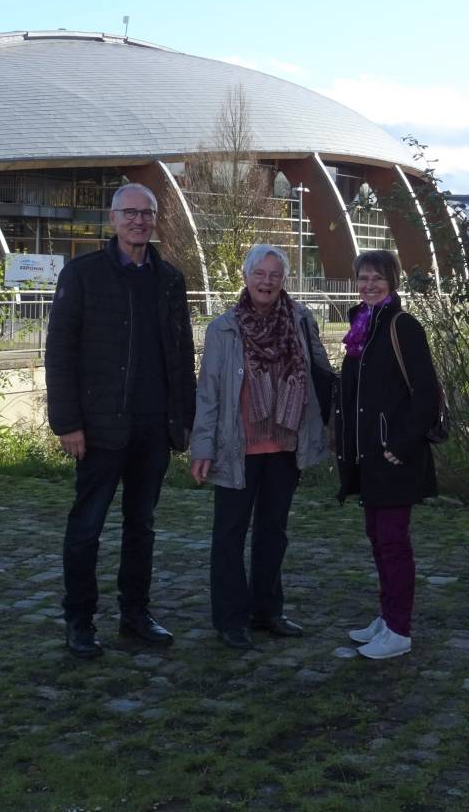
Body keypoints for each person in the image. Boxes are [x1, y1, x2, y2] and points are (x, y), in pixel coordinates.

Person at [46, 182, 197, 660]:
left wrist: (185, 421)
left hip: (152, 427)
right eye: (129, 213)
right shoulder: (84, 274)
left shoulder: (170, 279)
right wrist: (67, 422)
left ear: (155, 221)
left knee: (141, 526)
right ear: (112, 219)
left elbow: (181, 353)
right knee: (87, 526)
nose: (138, 221)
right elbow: (60, 352)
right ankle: (80, 620)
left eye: (146, 214)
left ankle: (135, 614)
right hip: (99, 426)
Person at [190, 244, 334, 650]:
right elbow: (210, 393)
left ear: (284, 280)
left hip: (285, 445)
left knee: (274, 533)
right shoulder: (224, 328)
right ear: (246, 277)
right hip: (236, 447)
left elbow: (322, 375)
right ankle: (230, 618)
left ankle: (267, 610)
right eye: (260, 274)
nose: (267, 282)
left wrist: (334, 423)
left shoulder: (302, 321)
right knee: (230, 534)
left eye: (275, 275)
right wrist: (202, 447)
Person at [334, 249, 440, 660]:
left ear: (392, 282)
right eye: (363, 277)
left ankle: (399, 629)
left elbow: (426, 393)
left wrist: (400, 445)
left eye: (378, 277)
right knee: (378, 539)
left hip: (394, 456)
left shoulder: (402, 325)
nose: (369, 284)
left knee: (394, 543)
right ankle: (387, 616)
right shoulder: (362, 325)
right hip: (369, 456)